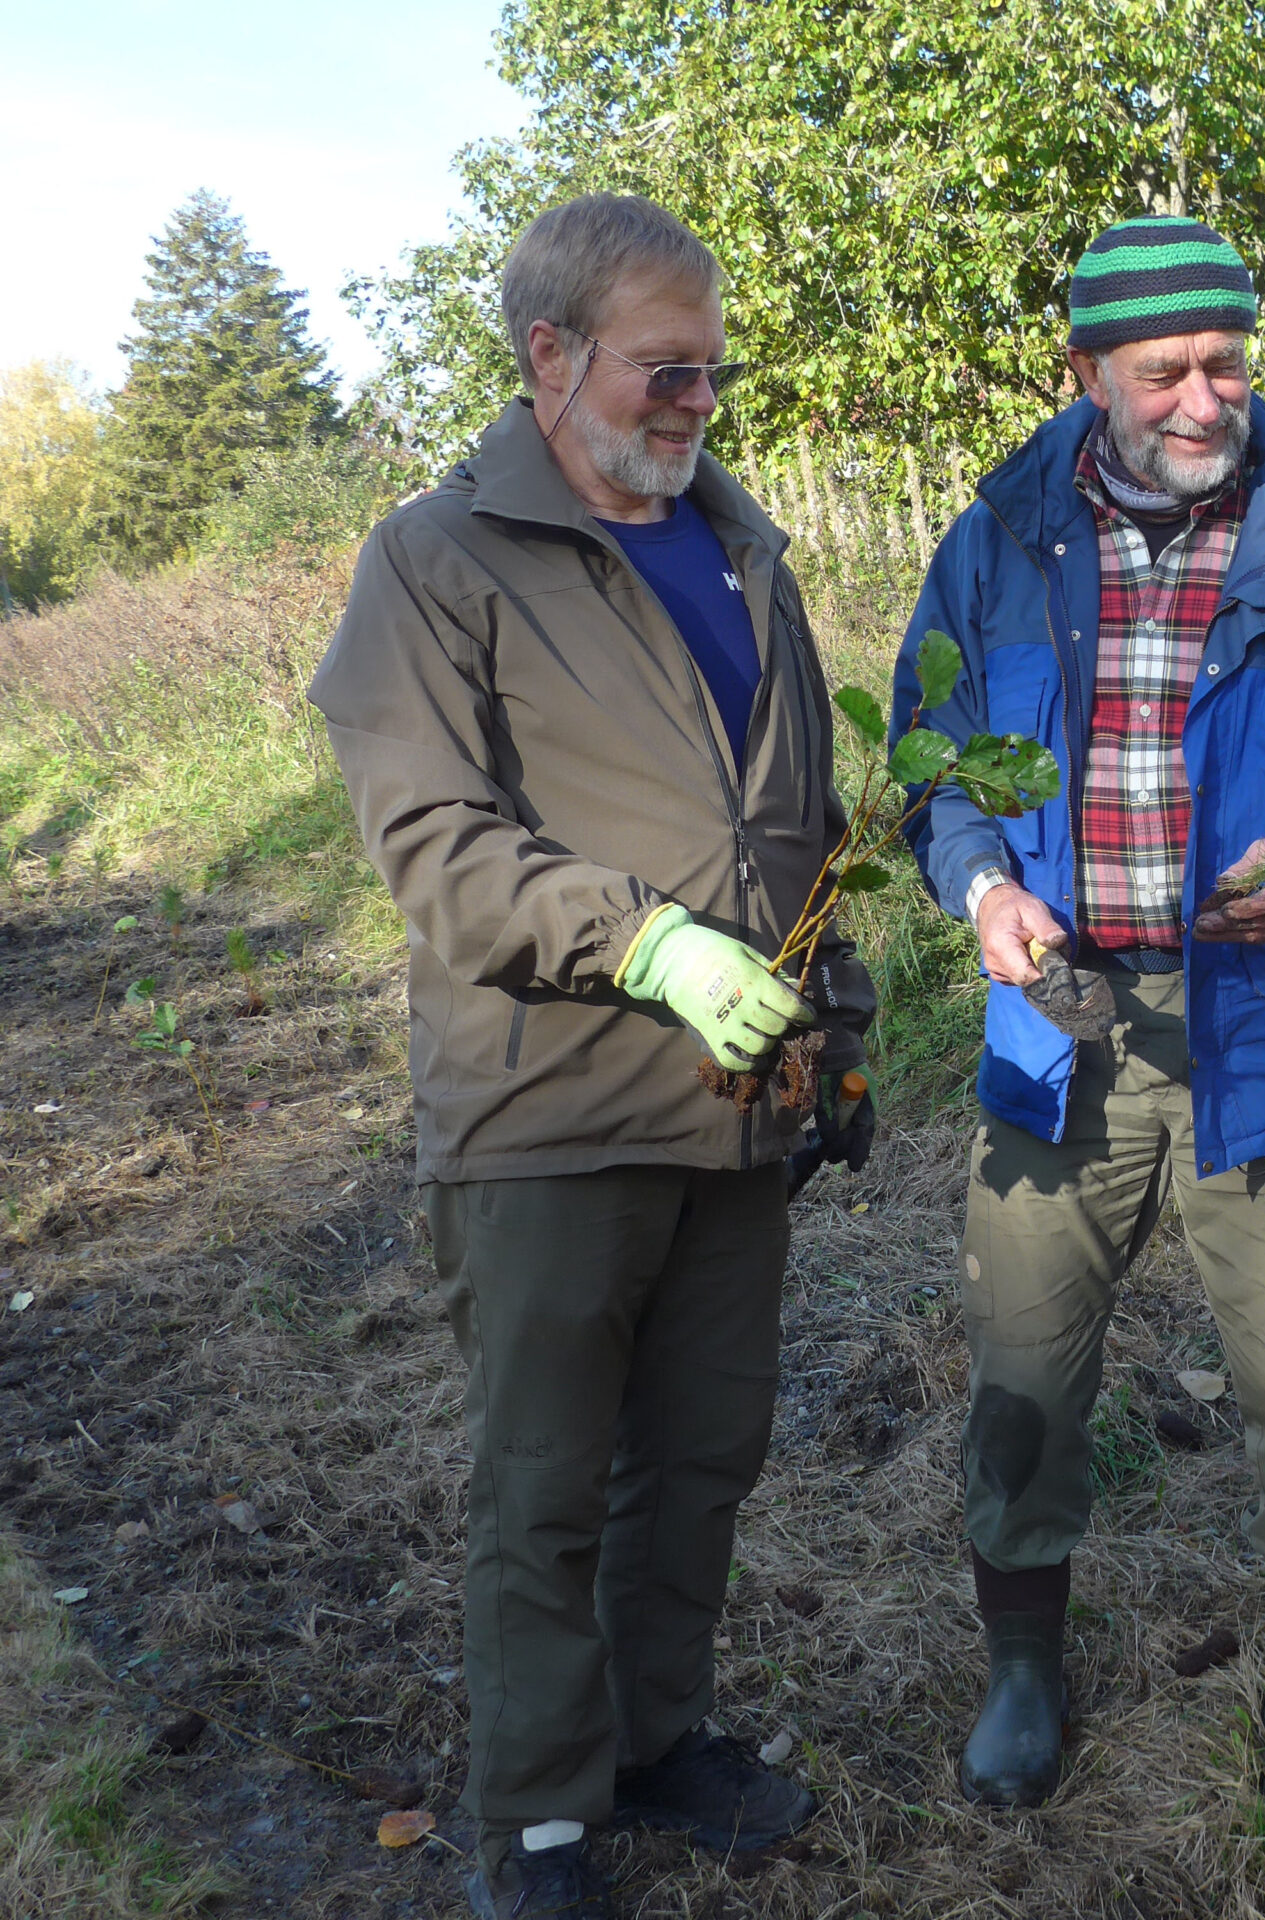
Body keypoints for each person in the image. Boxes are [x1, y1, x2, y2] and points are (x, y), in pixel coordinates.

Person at [310, 193, 874, 1920]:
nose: (696, 399)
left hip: (733, 1109)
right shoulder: (435, 560)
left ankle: (659, 1739)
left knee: (699, 1453)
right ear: (549, 358)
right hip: (545, 1104)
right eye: (663, 367)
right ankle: (539, 1814)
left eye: (711, 368)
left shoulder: (742, 549)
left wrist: (833, 1028)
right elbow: (433, 842)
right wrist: (645, 942)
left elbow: (802, 822)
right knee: (544, 1483)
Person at [892, 216, 1265, 1824]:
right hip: (1057, 1024)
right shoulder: (996, 543)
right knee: (1027, 1361)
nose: (1204, 398)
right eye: (1164, 371)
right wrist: (982, 892)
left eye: (1227, 362)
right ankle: (1023, 1670)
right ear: (1085, 375)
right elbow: (933, 763)